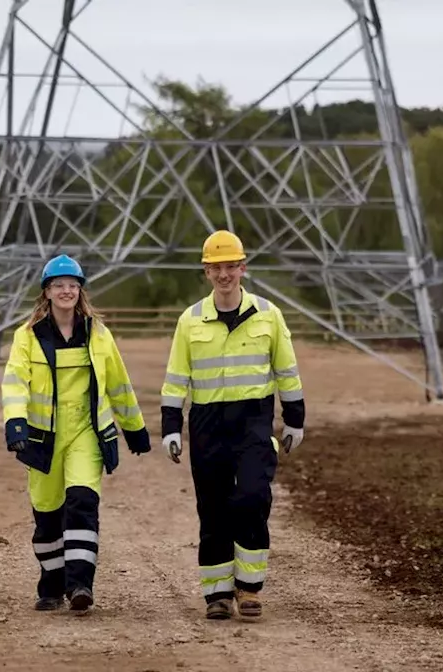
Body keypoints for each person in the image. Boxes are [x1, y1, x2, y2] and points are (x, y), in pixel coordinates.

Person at [159, 230, 306, 621]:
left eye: (231, 267)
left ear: (243, 268)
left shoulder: (268, 315)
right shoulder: (189, 321)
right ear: (206, 272)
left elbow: (286, 370)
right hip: (207, 423)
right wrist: (171, 427)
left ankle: (250, 588)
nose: (224, 275)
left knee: (253, 497)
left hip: (254, 421)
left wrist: (295, 419)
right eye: (216, 268)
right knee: (213, 508)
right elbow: (176, 379)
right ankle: (218, 595)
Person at [1, 254, 152, 613]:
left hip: (85, 431)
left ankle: (81, 584)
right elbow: (15, 383)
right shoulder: (28, 336)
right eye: (59, 285)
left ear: (80, 290)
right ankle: (51, 584)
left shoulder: (97, 334)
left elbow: (118, 382)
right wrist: (15, 423)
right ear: (47, 292)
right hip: (43, 438)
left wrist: (135, 428)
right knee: (48, 514)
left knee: (83, 503)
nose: (66, 290)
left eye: (72, 285)